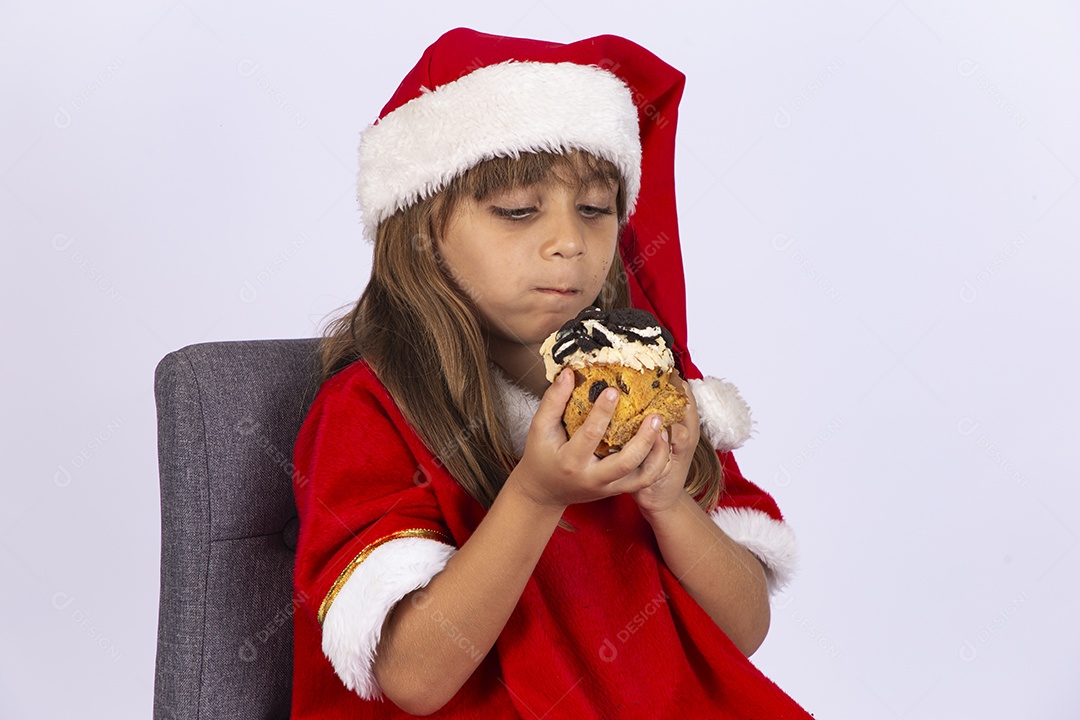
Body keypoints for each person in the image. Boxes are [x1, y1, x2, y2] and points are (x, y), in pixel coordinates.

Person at [290, 27, 812, 719]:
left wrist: (668, 501)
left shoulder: (646, 388)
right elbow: (412, 677)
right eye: (517, 210)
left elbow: (742, 633)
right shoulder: (368, 413)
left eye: (595, 210)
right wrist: (535, 496)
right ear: (420, 234)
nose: (570, 241)